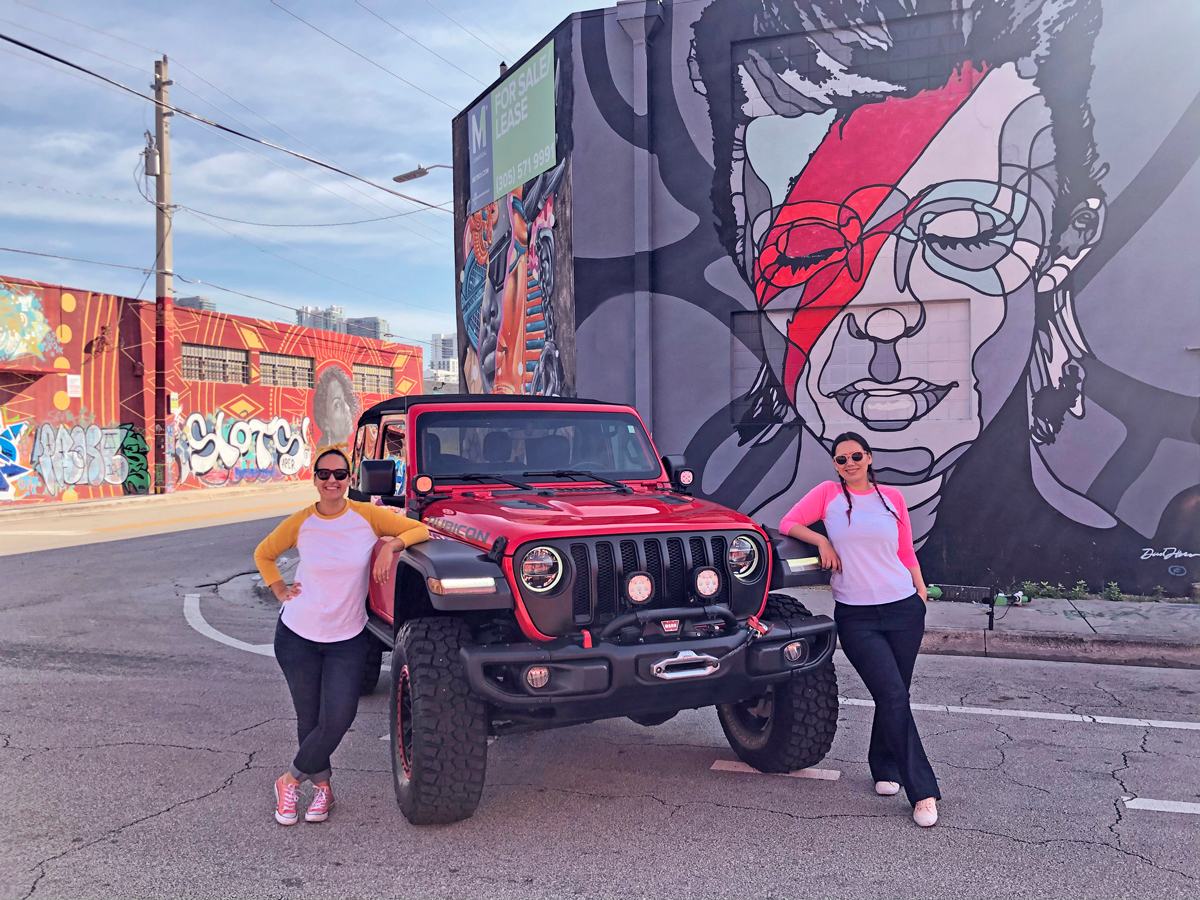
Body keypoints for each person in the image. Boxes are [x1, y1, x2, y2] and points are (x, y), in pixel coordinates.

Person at [254, 446, 429, 825]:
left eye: (339, 474)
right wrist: (280, 590)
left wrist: (391, 547)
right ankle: (323, 791)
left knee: (339, 716)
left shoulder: (366, 515)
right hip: (297, 634)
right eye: (324, 474)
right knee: (309, 718)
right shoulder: (301, 521)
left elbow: (419, 529)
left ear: (350, 479)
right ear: (314, 479)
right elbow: (263, 554)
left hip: (348, 637)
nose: (332, 480)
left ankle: (288, 781)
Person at [779, 432, 940, 827]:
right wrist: (821, 541)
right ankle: (923, 792)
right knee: (891, 692)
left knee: (895, 694)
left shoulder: (892, 498)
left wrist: (919, 590)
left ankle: (884, 765)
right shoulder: (827, 495)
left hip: (903, 608)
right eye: (840, 459)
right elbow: (789, 523)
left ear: (868, 458)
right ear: (835, 465)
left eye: (855, 456)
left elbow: (904, 550)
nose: (848, 463)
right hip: (857, 615)